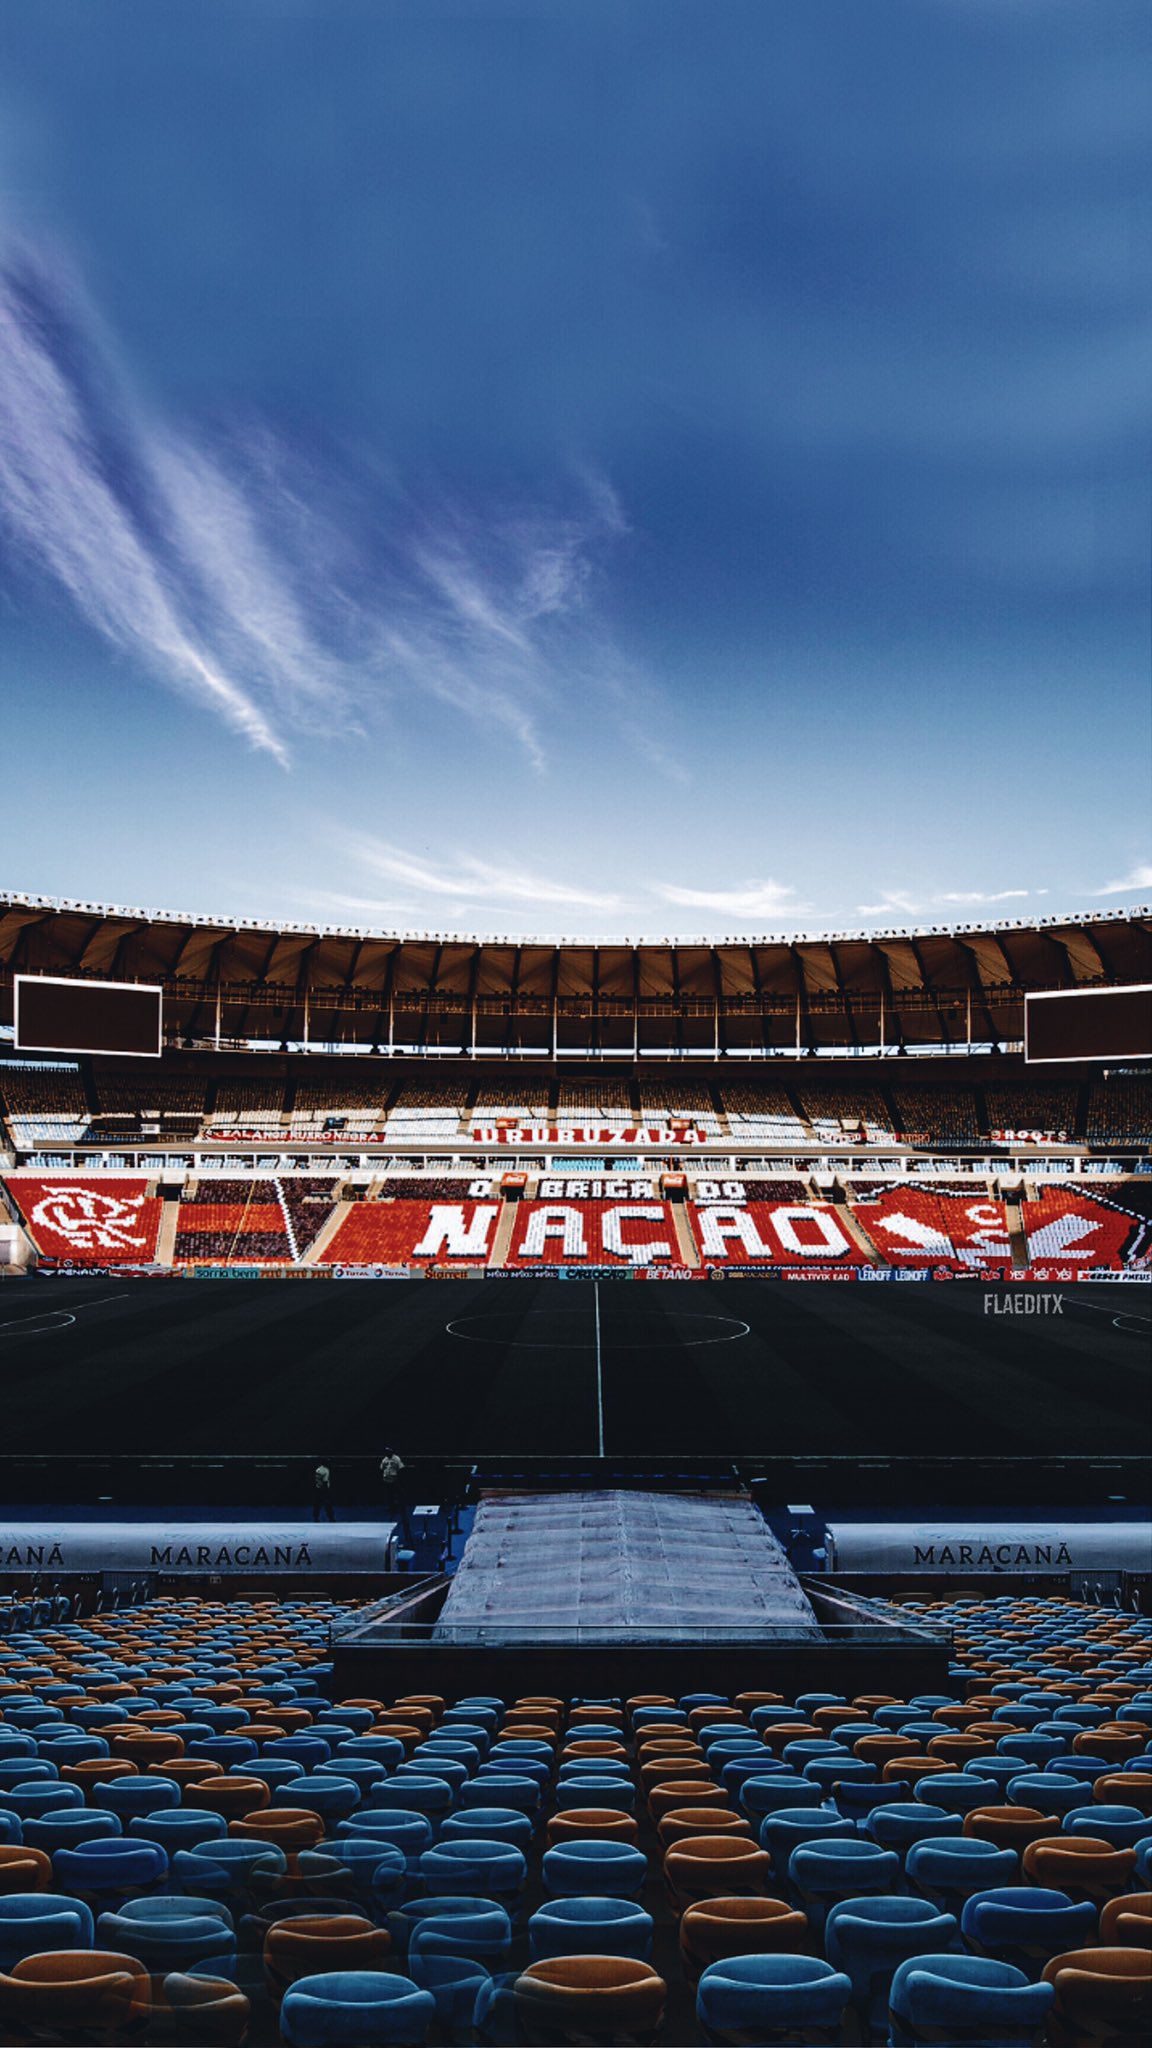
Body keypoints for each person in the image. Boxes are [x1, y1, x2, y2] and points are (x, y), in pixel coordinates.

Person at [379, 1445, 409, 1541]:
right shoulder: (385, 1459)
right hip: (386, 1480)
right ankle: (391, 1506)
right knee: (389, 1495)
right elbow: (382, 1467)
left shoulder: (396, 1459)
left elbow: (401, 1468)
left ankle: (397, 1507)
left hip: (394, 1480)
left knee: (396, 1494)